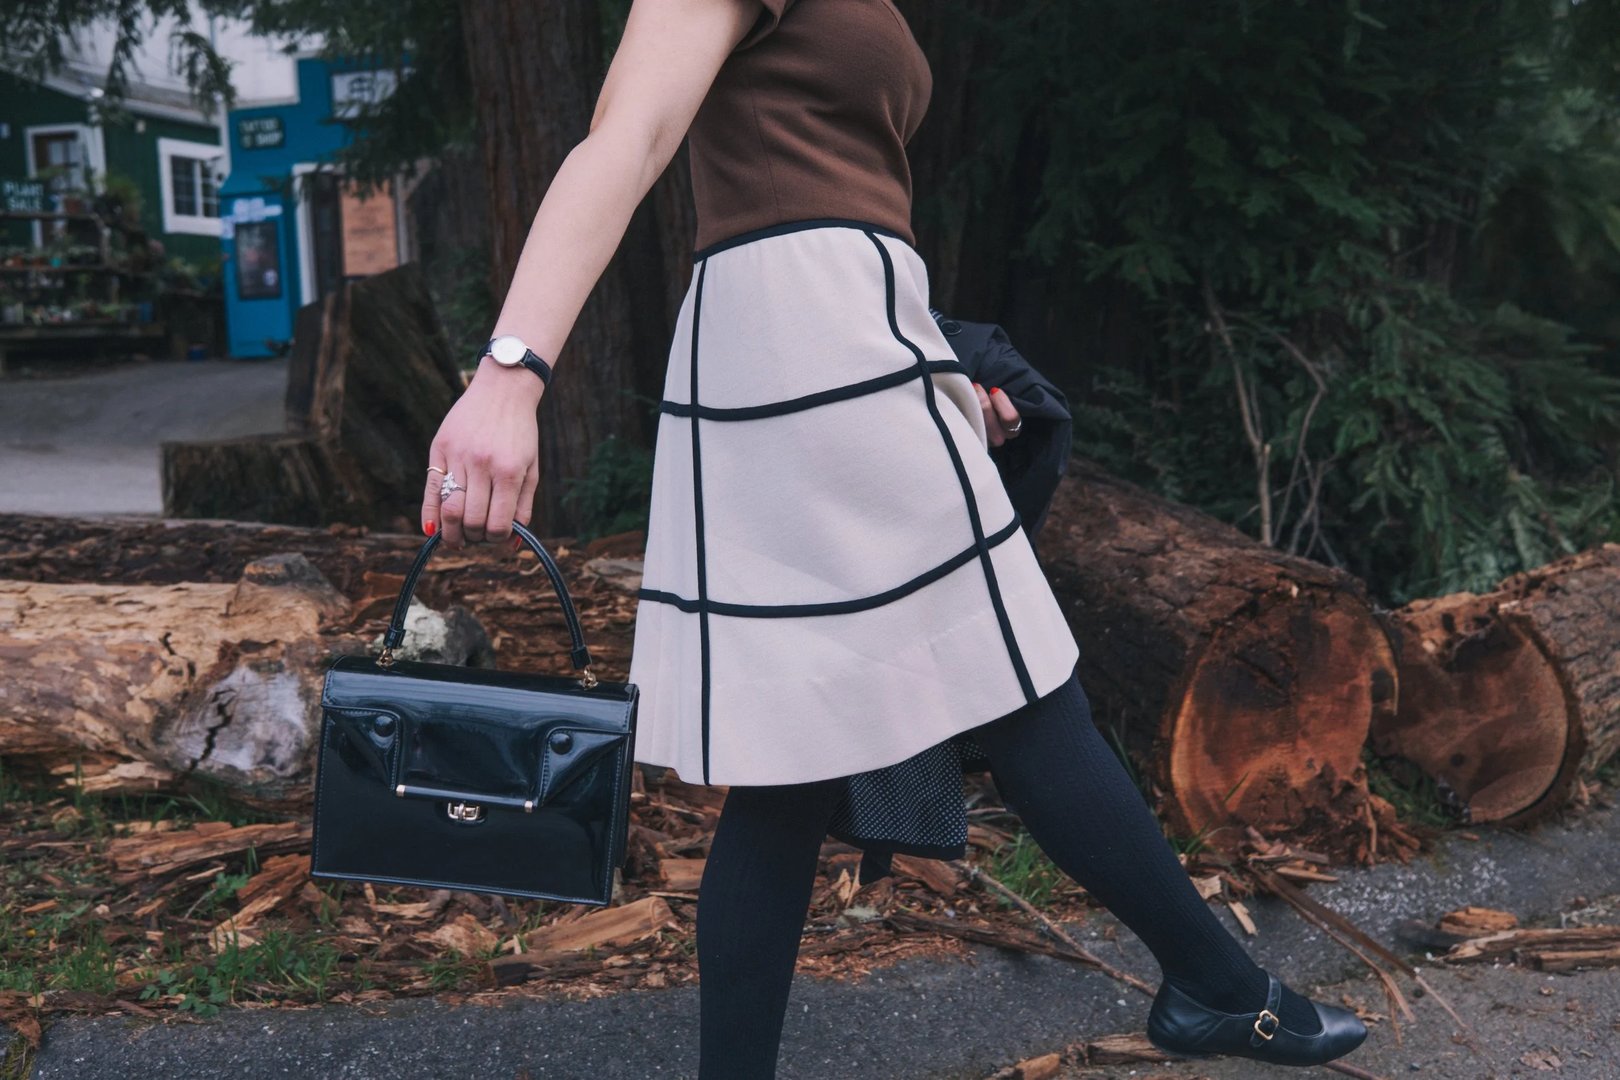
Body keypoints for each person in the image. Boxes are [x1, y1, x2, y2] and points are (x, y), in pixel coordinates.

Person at [417, 0, 1370, 1075]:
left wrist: (931, 358)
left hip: (856, 338)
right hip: (804, 350)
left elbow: (845, 196)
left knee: (793, 770)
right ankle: (1217, 985)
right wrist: (510, 374)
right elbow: (627, 137)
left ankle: (1213, 986)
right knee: (1014, 676)